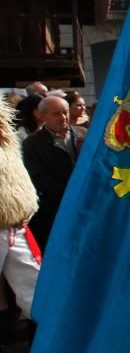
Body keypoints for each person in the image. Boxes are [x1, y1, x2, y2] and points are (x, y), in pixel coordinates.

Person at [0, 98, 43, 353]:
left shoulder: (9, 146)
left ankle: (53, 346)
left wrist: (26, 206)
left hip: (14, 227)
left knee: (35, 288)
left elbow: (18, 183)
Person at [21, 95, 87, 253]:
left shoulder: (83, 134)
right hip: (54, 211)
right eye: (56, 113)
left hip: (84, 206)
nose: (63, 117)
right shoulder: (32, 143)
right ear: (43, 116)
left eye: (65, 112)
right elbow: (38, 178)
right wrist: (69, 192)